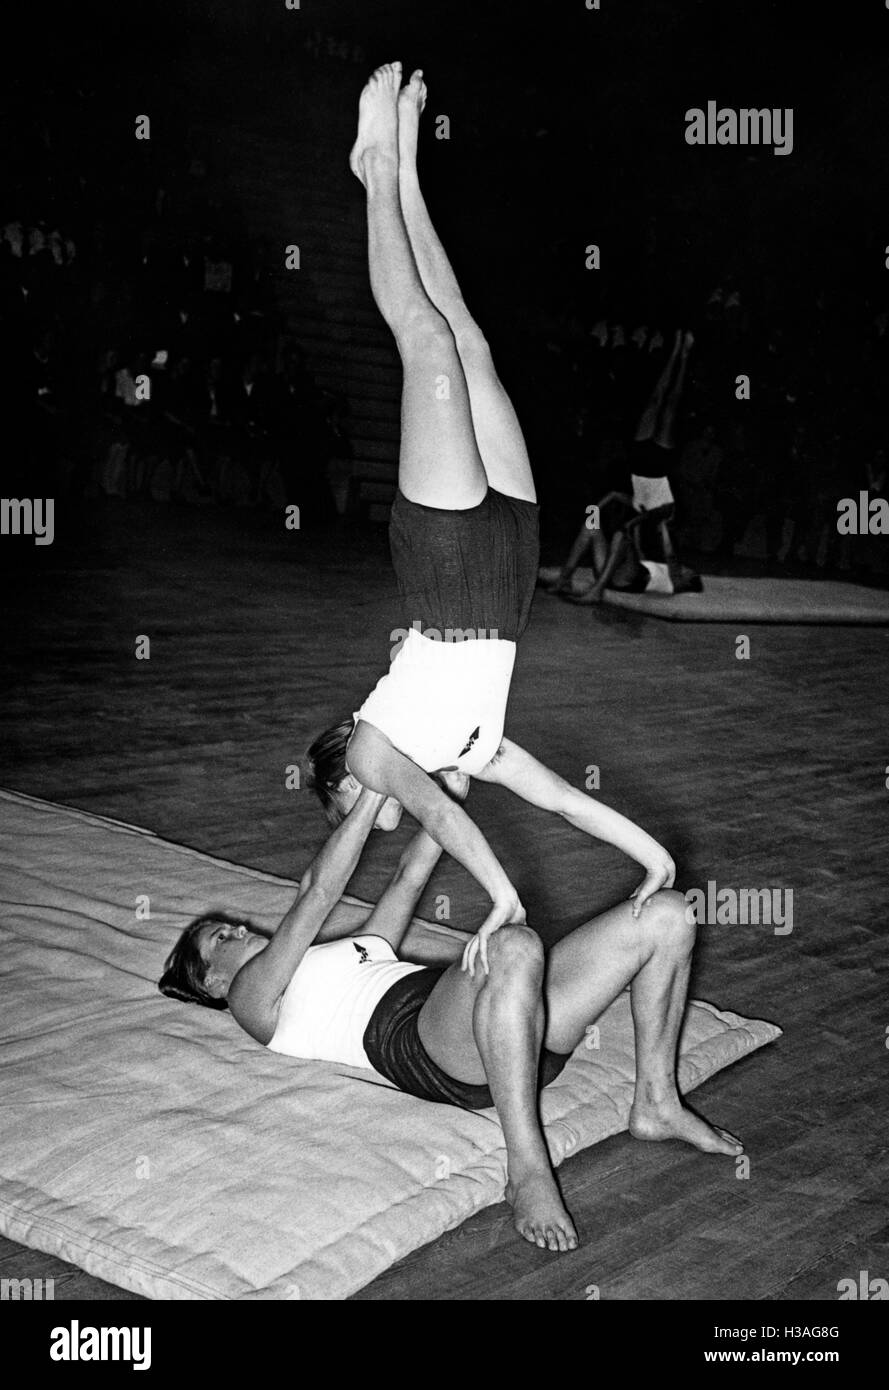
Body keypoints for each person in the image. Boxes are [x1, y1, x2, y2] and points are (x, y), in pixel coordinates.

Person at [307, 65, 677, 965]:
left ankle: (375, 168)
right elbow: (555, 799)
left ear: (345, 785)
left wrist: (503, 896)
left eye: (355, 811)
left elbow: (429, 811)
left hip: (443, 557)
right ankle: (404, 178)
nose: (374, 817)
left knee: (425, 343)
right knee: (467, 336)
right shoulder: (470, 748)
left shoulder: (368, 749)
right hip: (510, 550)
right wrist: (650, 853)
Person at [158, 778, 743, 1254]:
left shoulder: (346, 952)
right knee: (513, 945)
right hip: (423, 1044)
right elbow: (316, 893)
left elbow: (410, 877)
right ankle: (526, 1169)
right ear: (211, 980)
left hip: (512, 1023)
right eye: (219, 939)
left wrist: (444, 789)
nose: (236, 928)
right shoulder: (253, 1000)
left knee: (668, 915)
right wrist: (374, 788)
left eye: (226, 925)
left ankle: (656, 1101)